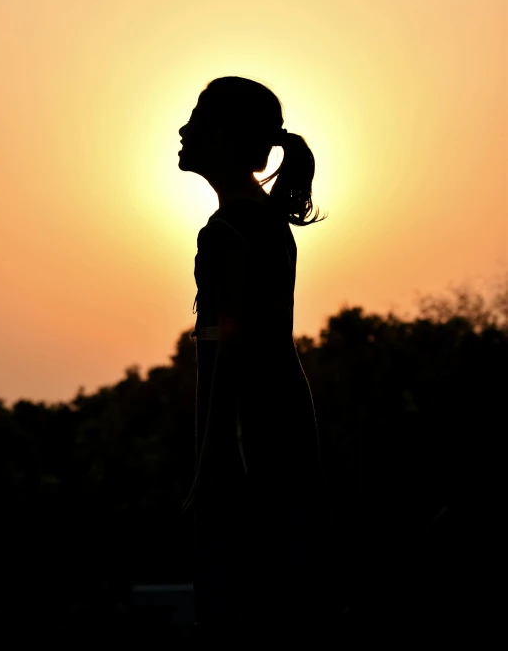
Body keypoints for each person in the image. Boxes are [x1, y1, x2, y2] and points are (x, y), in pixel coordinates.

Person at [178, 76, 342, 643]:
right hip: (283, 417)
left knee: (245, 607)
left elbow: (230, 355)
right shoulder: (263, 221)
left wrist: (213, 457)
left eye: (196, 121)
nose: (182, 131)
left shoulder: (228, 231)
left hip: (251, 430)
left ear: (223, 140)